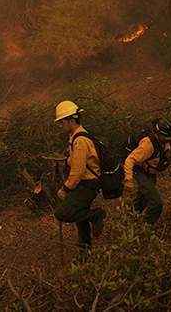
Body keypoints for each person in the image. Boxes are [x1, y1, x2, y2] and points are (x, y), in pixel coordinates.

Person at [52, 100, 107, 254]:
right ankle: (85, 252)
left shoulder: (80, 140)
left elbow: (78, 170)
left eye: (62, 122)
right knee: (80, 219)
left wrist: (65, 188)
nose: (61, 125)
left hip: (86, 184)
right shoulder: (76, 137)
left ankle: (96, 215)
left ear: (71, 120)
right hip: (85, 183)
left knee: (62, 213)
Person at [122, 119, 171, 225]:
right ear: (158, 134)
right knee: (156, 202)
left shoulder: (168, 138)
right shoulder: (148, 145)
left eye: (170, 137)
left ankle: (131, 220)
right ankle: (145, 227)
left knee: (144, 197)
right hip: (140, 171)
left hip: (151, 172)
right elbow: (130, 160)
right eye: (166, 138)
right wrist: (128, 179)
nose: (169, 139)